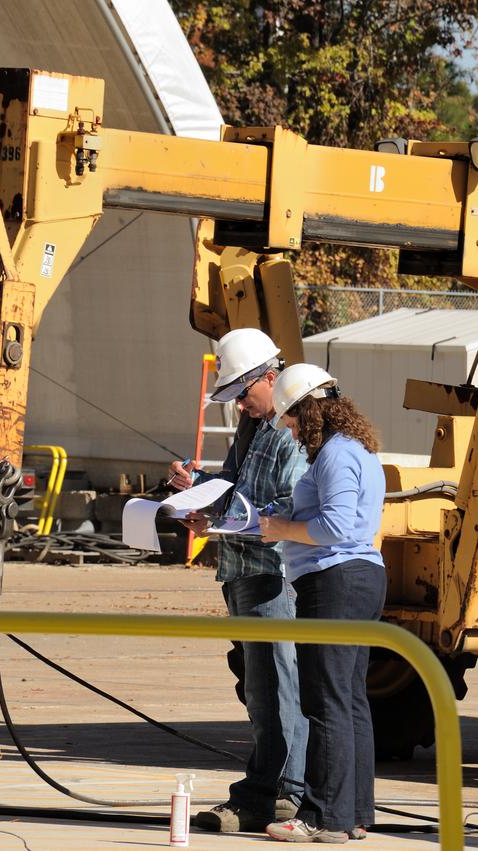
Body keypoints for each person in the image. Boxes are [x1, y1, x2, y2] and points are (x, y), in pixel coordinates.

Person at [166, 328, 309, 834]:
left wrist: (223, 517)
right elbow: (237, 493)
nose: (241, 407)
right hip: (242, 571)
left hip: (272, 574)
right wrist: (197, 490)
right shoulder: (253, 429)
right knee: (259, 688)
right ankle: (274, 788)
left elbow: (290, 507)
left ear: (271, 378)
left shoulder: (293, 429)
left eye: (244, 395)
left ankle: (282, 793)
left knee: (276, 686)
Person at [258, 364, 386, 844]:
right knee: (350, 699)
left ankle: (321, 816)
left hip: (334, 581)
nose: (289, 429)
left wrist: (278, 530)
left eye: (290, 419)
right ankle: (351, 812)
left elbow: (335, 528)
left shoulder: (333, 455)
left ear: (308, 410)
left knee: (325, 699)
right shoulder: (359, 452)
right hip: (361, 579)